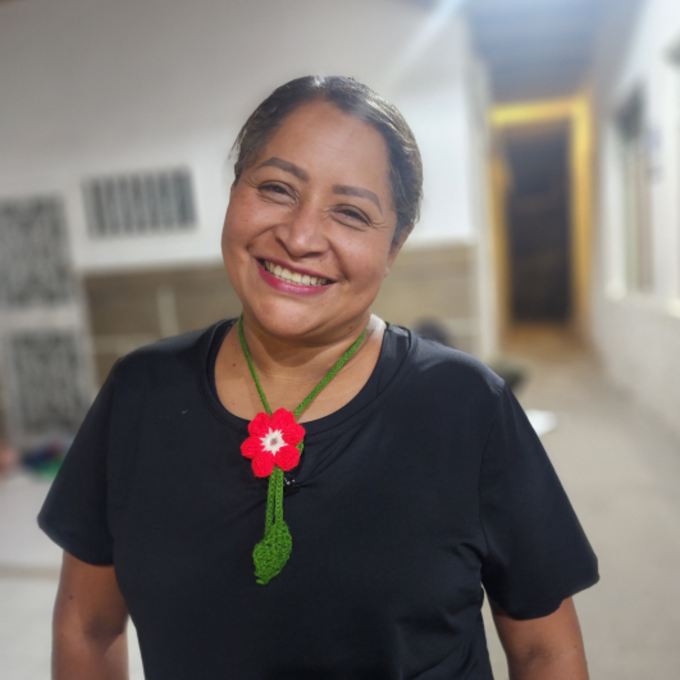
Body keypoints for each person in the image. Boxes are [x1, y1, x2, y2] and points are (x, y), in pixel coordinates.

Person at [39, 75, 598, 679]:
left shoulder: (466, 406)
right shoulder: (141, 394)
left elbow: (546, 651)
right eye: (277, 188)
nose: (300, 237)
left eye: (351, 213)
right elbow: (86, 627)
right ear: (235, 189)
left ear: (394, 246)